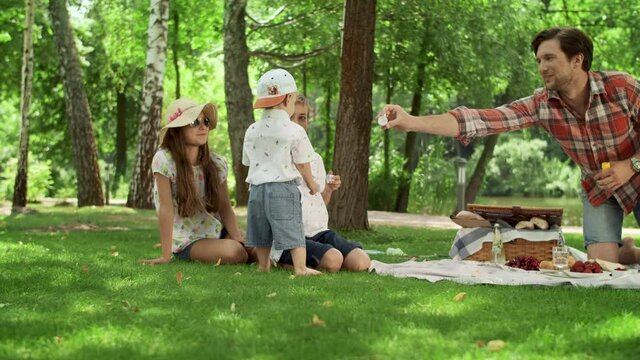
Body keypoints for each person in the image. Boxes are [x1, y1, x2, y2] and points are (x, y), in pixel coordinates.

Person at [381, 26, 640, 265]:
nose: (542, 67)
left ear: (577, 60)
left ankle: (628, 252)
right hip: (600, 188)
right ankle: (626, 254)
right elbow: (481, 120)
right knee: (602, 269)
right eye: (539, 60)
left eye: (549, 58)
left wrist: (630, 165)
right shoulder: (542, 105)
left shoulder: (621, 87)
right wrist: (412, 122)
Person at [141, 98, 250, 265]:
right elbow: (165, 210)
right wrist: (165, 256)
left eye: (205, 121)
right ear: (177, 129)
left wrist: (238, 237)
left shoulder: (216, 163)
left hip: (217, 231)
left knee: (259, 247)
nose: (203, 126)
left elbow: (225, 207)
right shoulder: (165, 160)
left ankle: (295, 265)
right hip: (188, 239)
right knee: (235, 252)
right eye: (194, 122)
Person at [273, 95, 371, 272]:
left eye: (302, 117)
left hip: (320, 232)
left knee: (361, 262)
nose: (297, 123)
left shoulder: (315, 159)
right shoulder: (274, 159)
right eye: (291, 118)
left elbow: (318, 204)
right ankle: (284, 261)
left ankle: (319, 257)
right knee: (333, 261)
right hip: (293, 237)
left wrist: (328, 190)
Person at [242, 69, 322, 276]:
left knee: (261, 229)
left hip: (257, 190)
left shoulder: (252, 129)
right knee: (291, 227)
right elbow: (303, 163)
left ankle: (263, 265)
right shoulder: (295, 130)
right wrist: (312, 184)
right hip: (283, 188)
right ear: (287, 99)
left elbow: (247, 160)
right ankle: (301, 267)